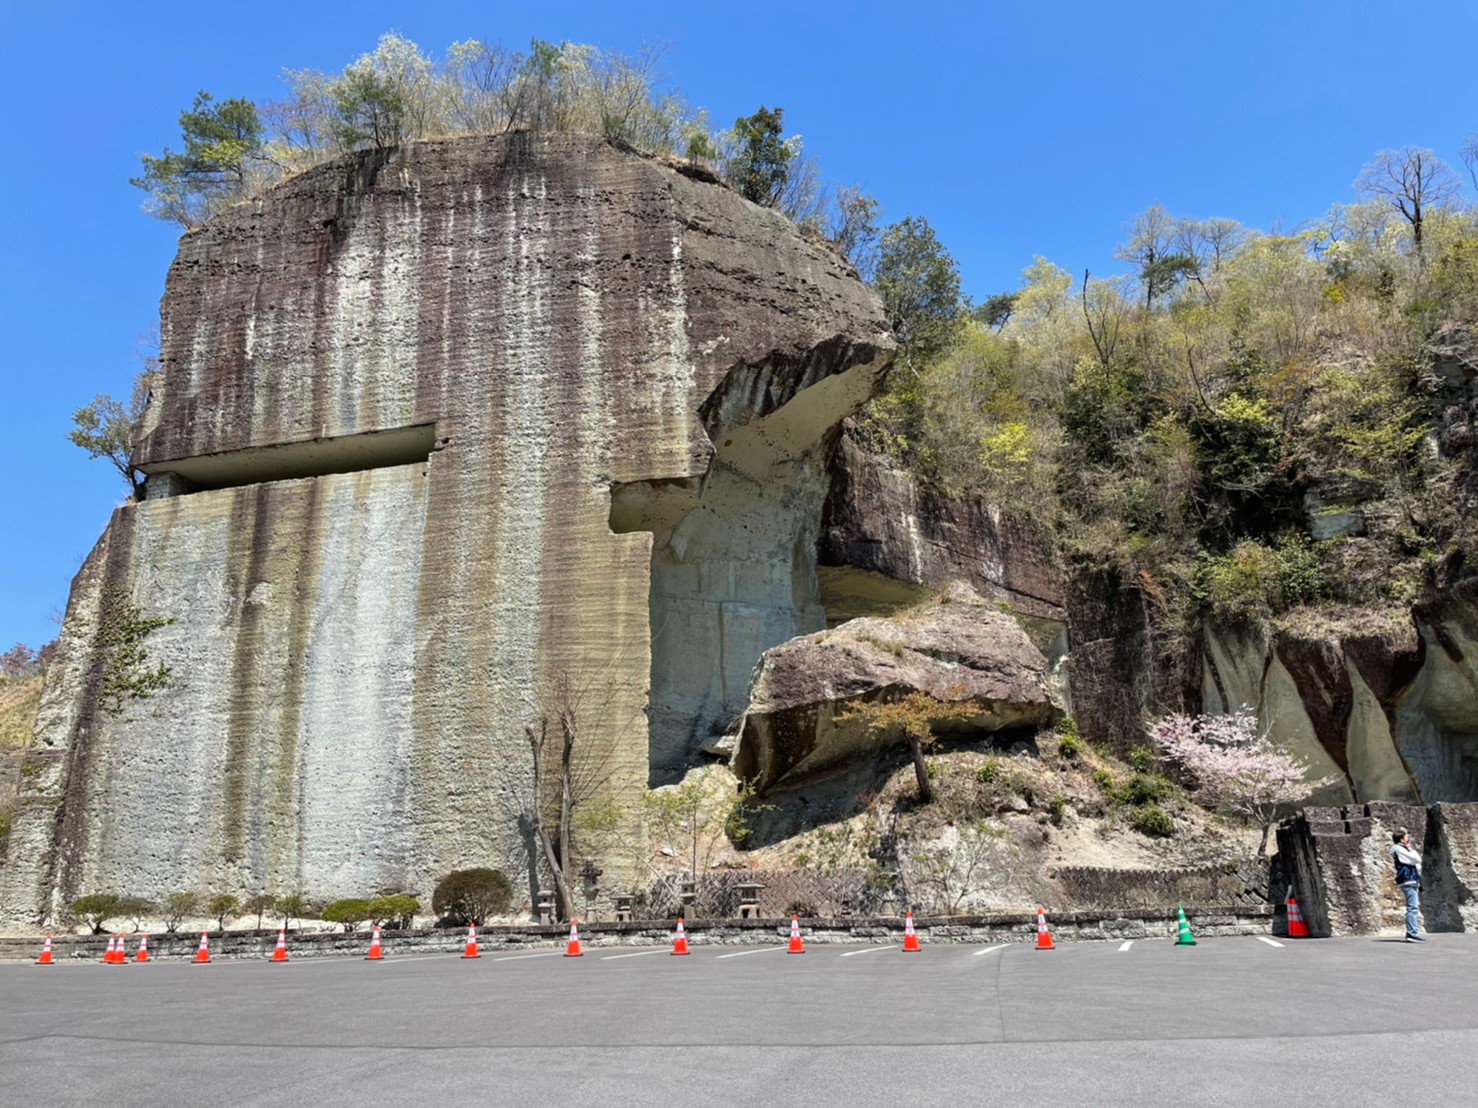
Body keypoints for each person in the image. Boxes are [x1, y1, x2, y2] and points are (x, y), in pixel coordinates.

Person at [1389, 829, 1425, 943]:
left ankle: (1412, 932)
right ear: (1401, 840)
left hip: (1409, 880)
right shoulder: (1400, 850)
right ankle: (1411, 933)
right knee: (1412, 908)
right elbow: (1416, 859)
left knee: (1412, 907)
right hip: (1408, 880)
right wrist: (1410, 849)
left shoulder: (1399, 850)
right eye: (1406, 837)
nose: (1408, 839)